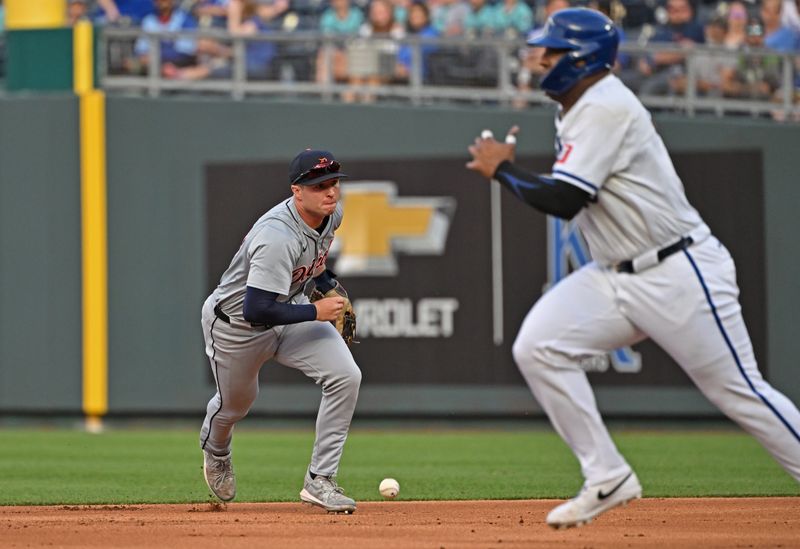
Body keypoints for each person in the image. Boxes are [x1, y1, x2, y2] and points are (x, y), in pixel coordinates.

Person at [466, 7, 800, 529]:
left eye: (551, 51)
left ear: (579, 59)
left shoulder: (605, 105)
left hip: (678, 270)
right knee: (539, 346)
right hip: (616, 273)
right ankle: (608, 474)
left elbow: (565, 199)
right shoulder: (577, 106)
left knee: (740, 393)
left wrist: (503, 171)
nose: (540, 59)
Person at [199, 149, 362, 514]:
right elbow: (256, 310)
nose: (331, 192)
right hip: (236, 327)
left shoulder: (331, 214)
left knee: (346, 376)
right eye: (319, 185)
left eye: (334, 183)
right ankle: (217, 451)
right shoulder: (276, 237)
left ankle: (320, 480)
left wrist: (330, 286)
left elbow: (313, 265)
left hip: (289, 310)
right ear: (296, 191)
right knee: (235, 405)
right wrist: (315, 311)